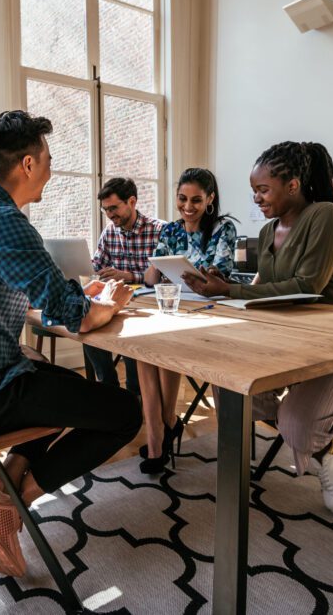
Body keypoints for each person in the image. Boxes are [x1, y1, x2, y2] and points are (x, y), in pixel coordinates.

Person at [0, 110, 143, 577]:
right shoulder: (5, 222)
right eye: (47, 159)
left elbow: (42, 293)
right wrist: (109, 306)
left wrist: (76, 301)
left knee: (48, 373)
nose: (50, 169)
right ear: (26, 164)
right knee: (124, 413)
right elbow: (76, 317)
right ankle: (14, 501)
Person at [182, 141, 333, 514]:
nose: (257, 199)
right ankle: (319, 438)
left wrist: (231, 288)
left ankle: (319, 439)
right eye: (254, 191)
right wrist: (218, 282)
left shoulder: (325, 215)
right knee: (229, 382)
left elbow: (308, 286)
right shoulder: (268, 232)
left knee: (295, 423)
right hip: (293, 342)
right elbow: (262, 288)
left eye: (263, 189)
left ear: (292, 185)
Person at [137, 168, 237, 473]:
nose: (188, 206)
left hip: (214, 312)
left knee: (158, 345)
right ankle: (160, 429)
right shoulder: (170, 230)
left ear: (210, 199)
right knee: (142, 345)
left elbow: (220, 275)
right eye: (182, 199)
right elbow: (150, 278)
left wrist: (190, 269)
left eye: (196, 200)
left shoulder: (223, 229)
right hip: (177, 305)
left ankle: (161, 431)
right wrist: (155, 268)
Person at [84, 177, 164, 396]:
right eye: (105, 210)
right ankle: (109, 390)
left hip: (149, 307)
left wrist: (129, 275)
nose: (110, 215)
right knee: (88, 326)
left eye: (113, 208)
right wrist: (94, 273)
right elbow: (96, 266)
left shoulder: (159, 230)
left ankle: (135, 394)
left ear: (131, 201)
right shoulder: (109, 233)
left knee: (130, 334)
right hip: (118, 304)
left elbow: (167, 279)